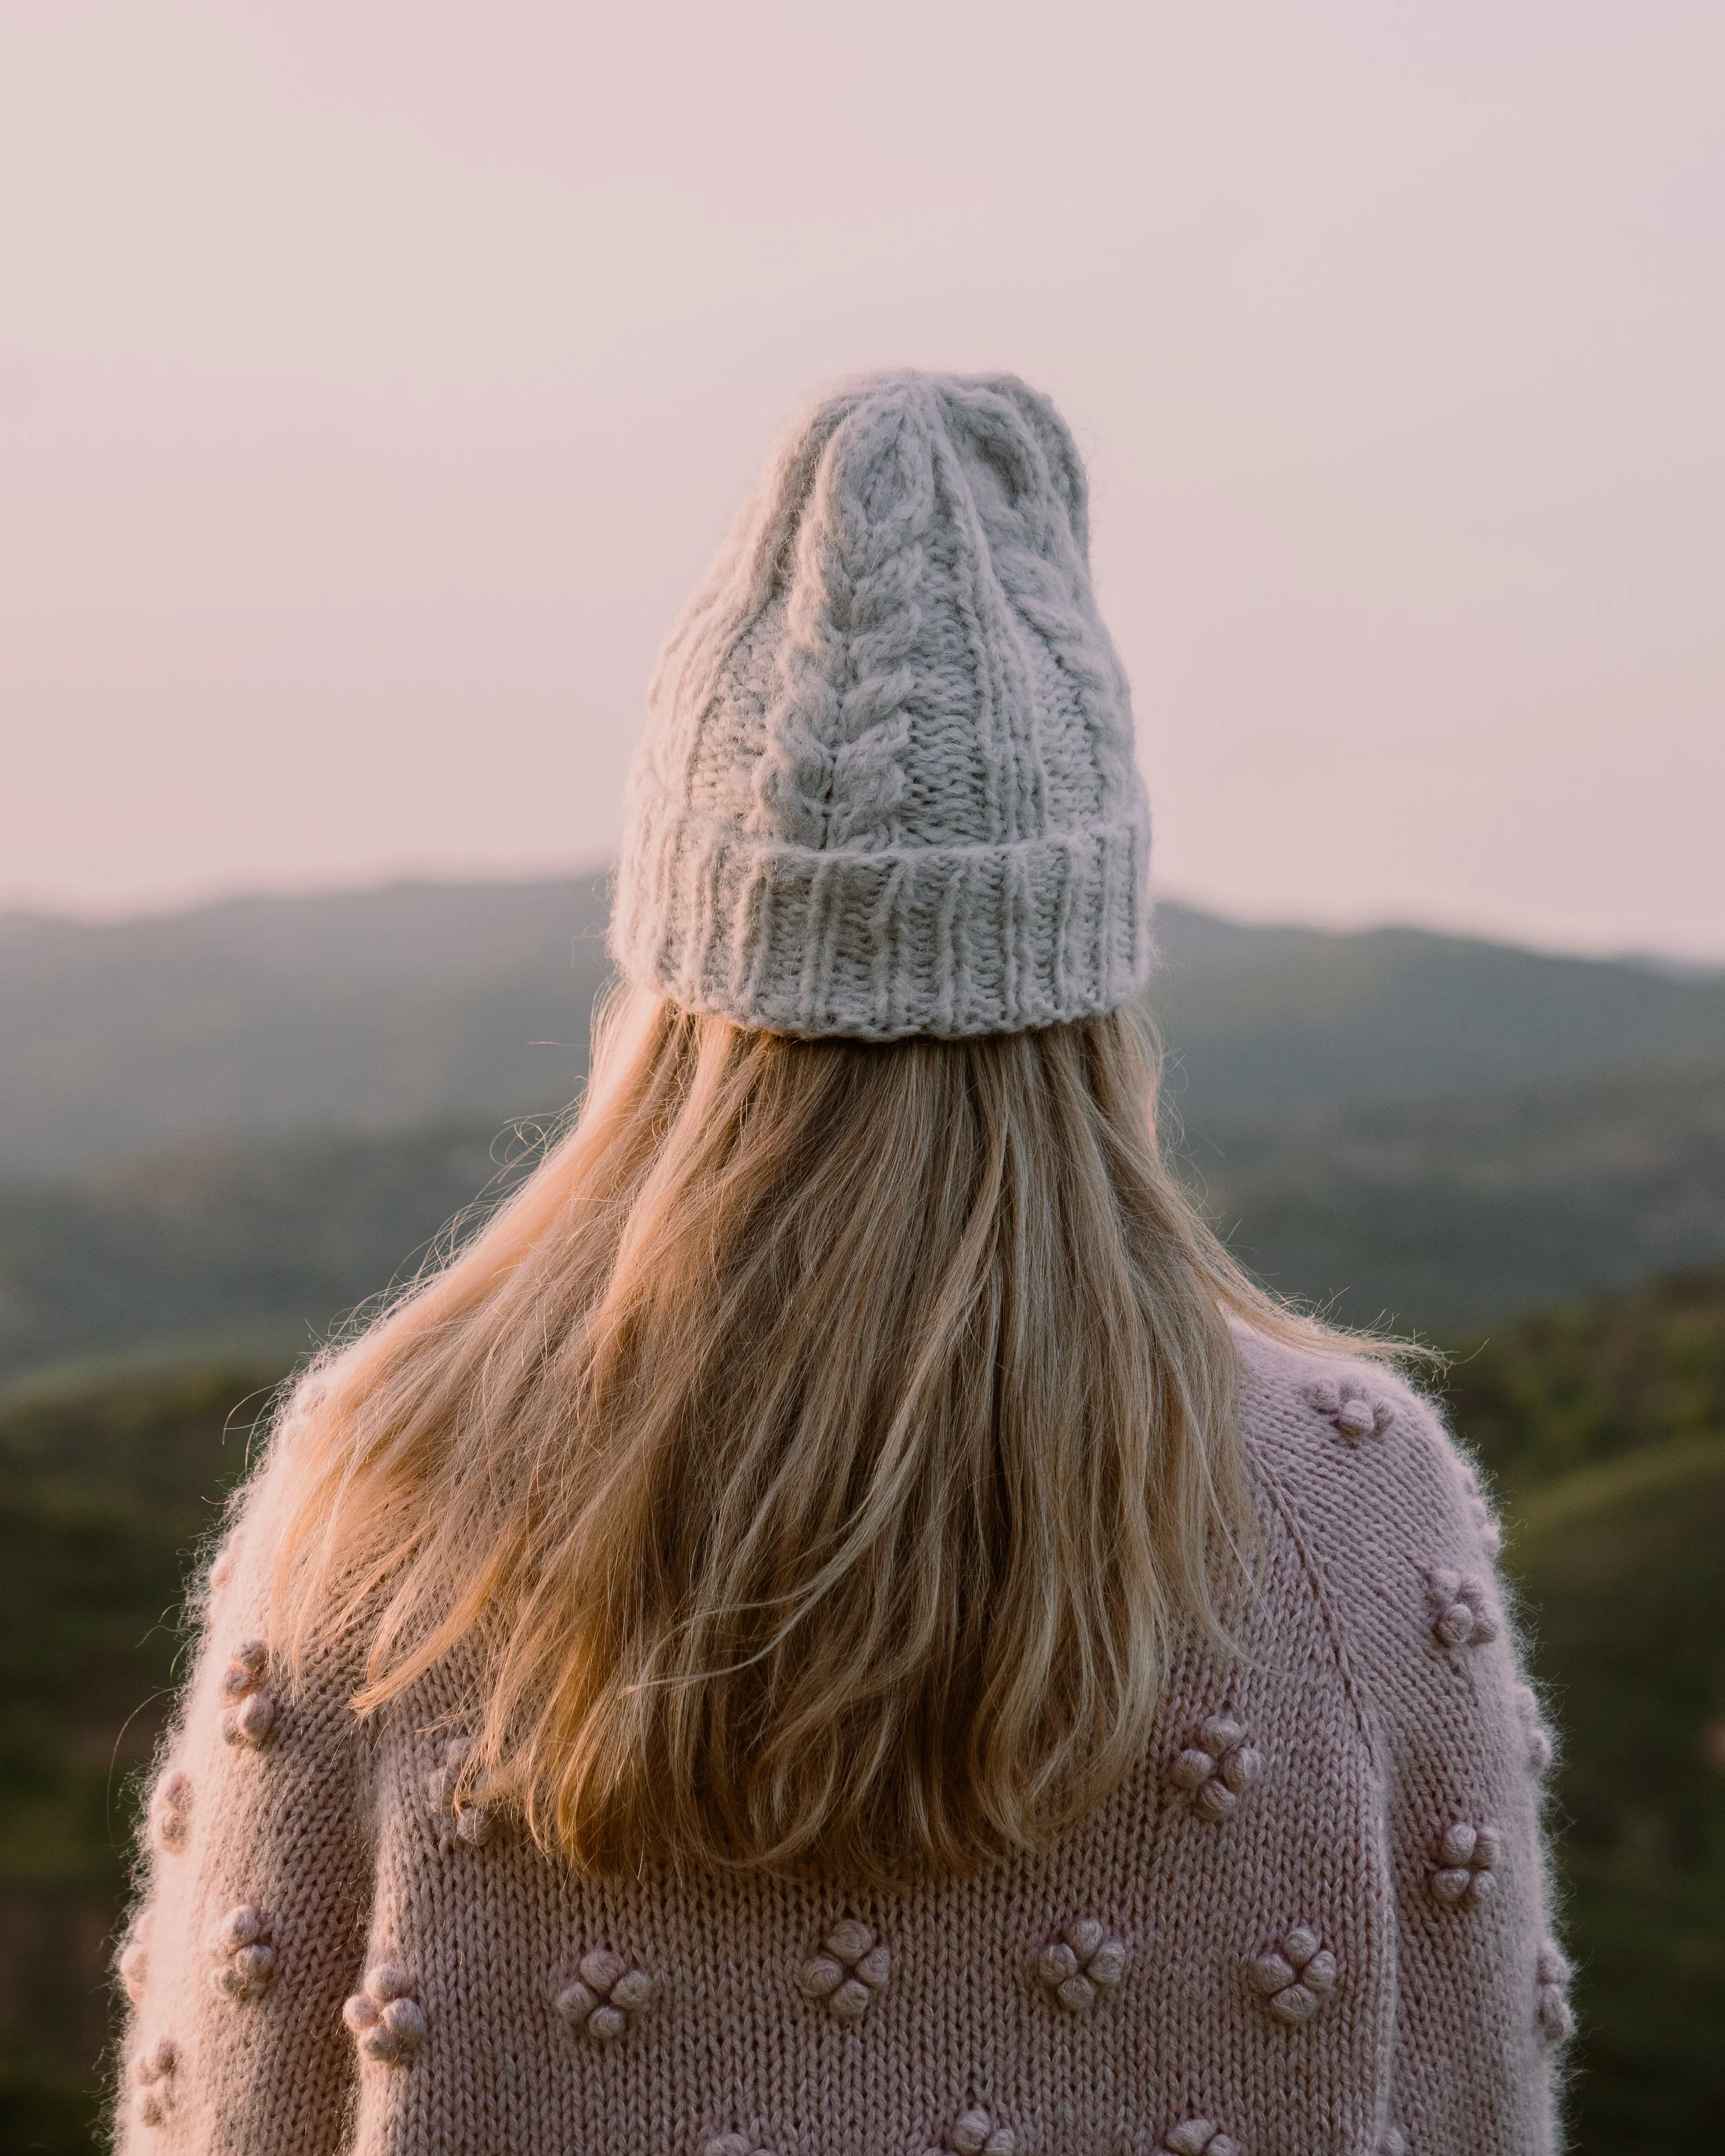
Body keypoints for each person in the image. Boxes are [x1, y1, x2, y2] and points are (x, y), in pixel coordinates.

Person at [115, 371, 1568, 2155]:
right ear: (1092, 977)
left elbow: (230, 2124)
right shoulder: (1350, 1500)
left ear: (669, 974)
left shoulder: (385, 1483)